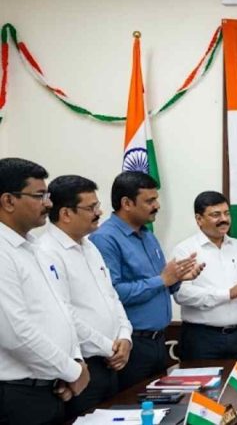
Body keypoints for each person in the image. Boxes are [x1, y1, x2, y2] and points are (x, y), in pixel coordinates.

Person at [91, 171, 203, 390]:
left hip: (159, 342)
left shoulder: (148, 236)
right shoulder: (105, 239)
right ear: (126, 203)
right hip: (132, 345)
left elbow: (162, 283)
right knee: (132, 410)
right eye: (150, 200)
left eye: (156, 199)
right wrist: (163, 280)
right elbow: (113, 293)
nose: (157, 205)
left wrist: (178, 279)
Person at [0, 158, 89, 424]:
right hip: (18, 395)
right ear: (8, 201)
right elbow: (15, 332)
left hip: (52, 386)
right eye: (40, 196)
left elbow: (61, 310)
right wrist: (72, 370)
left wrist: (73, 361)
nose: (49, 204)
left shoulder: (35, 247)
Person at [37, 175, 133, 419]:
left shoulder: (90, 246)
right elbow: (64, 314)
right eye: (91, 208)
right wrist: (108, 346)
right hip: (84, 369)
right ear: (66, 213)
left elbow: (111, 296)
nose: (99, 212)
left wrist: (125, 336)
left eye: (97, 205)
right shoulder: (46, 252)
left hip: (112, 363)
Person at [172, 191, 237, 360]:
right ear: (199, 219)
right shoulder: (185, 250)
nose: (224, 219)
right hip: (202, 338)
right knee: (201, 387)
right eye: (216, 215)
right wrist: (228, 294)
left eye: (227, 213)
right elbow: (181, 294)